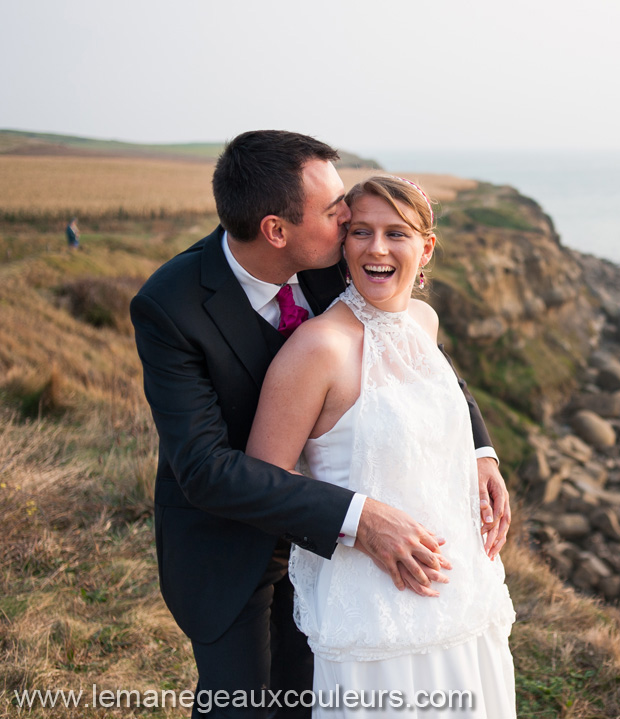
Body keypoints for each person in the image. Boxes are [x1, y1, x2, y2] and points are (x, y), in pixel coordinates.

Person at [130, 131, 511, 718]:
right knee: (246, 708)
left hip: (342, 561)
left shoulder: (334, 259)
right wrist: (359, 518)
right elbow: (206, 470)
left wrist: (481, 450)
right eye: (336, 213)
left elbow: (409, 352)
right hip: (235, 547)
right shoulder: (170, 306)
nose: (349, 221)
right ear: (277, 231)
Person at [246, 176, 516, 718]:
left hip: (458, 589)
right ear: (343, 244)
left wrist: (479, 455)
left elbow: (434, 414)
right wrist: (358, 523)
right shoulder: (318, 347)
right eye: (361, 232)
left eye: (396, 233)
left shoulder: (423, 321)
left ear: (426, 247)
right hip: (372, 610)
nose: (376, 248)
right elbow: (261, 482)